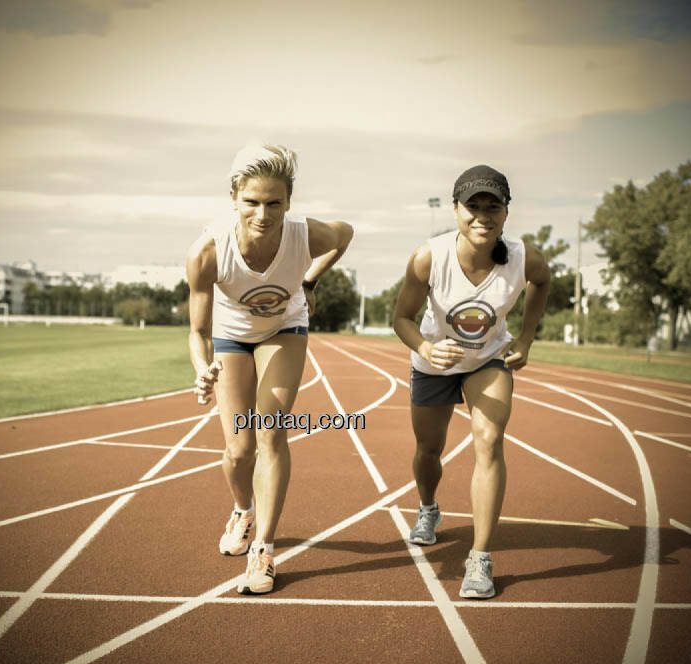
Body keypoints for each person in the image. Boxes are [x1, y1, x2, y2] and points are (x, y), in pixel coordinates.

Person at [186, 143, 354, 595]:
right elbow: (197, 331)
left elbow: (345, 234)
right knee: (239, 450)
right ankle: (243, 510)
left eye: (274, 203)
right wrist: (202, 367)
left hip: (284, 329)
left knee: (270, 433)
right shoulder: (207, 251)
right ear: (234, 199)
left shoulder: (305, 234)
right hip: (231, 336)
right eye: (252, 203)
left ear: (289, 202)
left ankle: (263, 547)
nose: (263, 214)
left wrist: (310, 280)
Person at [392, 164, 549, 598]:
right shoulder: (429, 256)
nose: (482, 216)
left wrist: (527, 337)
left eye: (492, 207)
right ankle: (428, 509)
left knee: (489, 438)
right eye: (472, 206)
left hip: (488, 359)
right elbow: (401, 318)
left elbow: (543, 281)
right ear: (457, 209)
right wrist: (425, 349)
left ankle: (479, 559)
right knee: (428, 449)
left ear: (505, 212)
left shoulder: (523, 257)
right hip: (435, 363)